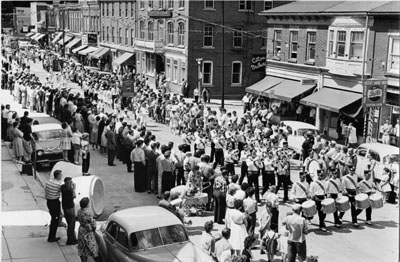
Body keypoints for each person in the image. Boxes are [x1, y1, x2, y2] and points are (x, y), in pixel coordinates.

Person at [77, 197, 101, 262]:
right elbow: (93, 223)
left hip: (81, 230)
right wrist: (94, 228)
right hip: (88, 231)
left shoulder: (79, 211)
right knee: (92, 247)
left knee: (82, 247)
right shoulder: (88, 213)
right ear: (87, 205)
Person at [45, 169, 63, 242]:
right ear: (58, 176)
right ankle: (51, 237)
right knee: (55, 220)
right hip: (55, 203)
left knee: (53, 218)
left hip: (49, 202)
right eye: (61, 175)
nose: (61, 176)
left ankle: (52, 235)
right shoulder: (58, 185)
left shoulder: (48, 182)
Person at [61, 177, 77, 245]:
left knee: (69, 223)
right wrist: (74, 189)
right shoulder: (69, 190)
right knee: (71, 225)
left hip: (65, 208)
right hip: (70, 208)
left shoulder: (63, 187)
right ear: (68, 183)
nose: (71, 183)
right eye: (70, 182)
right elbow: (74, 196)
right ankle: (70, 240)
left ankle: (73, 238)